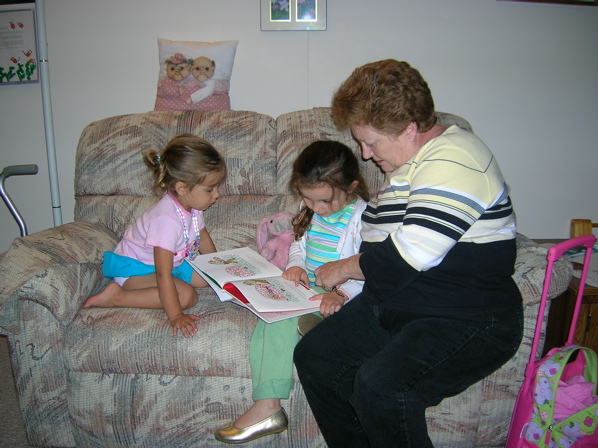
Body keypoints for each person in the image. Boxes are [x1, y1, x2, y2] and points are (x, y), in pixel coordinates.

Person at [293, 59, 524, 448]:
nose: (365, 155)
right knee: (316, 357)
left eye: (371, 142)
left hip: (466, 315)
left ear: (409, 129)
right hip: (399, 306)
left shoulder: (455, 158)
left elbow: (406, 257)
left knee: (381, 388)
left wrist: (343, 269)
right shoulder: (408, 167)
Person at [214, 140, 370, 444]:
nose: (316, 209)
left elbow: (368, 271)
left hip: (341, 296)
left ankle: (268, 404)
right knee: (270, 315)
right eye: (308, 200)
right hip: (306, 287)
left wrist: (340, 294)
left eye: (324, 201)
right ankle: (308, 327)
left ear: (352, 186)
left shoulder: (365, 218)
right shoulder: (309, 207)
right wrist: (296, 266)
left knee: (281, 319)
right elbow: (298, 244)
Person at [83, 134, 227, 339]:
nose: (217, 195)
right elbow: (162, 274)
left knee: (205, 278)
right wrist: (176, 315)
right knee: (186, 296)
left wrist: (219, 269)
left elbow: (202, 237)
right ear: (182, 187)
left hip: (171, 263)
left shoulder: (192, 207)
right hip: (136, 270)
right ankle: (117, 296)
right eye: (210, 189)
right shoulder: (166, 222)